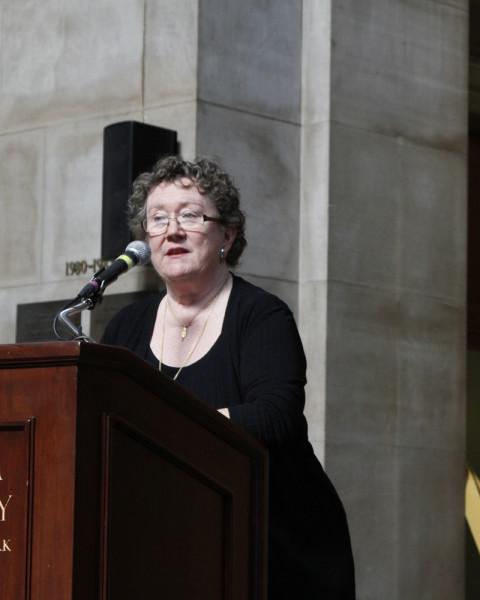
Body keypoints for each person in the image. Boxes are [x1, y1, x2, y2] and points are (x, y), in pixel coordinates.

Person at [101, 155, 355, 599]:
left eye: (190, 216)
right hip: (167, 544)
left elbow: (277, 418)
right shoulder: (125, 328)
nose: (172, 230)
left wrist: (168, 431)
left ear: (228, 235)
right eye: (157, 219)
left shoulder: (261, 315)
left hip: (275, 543)